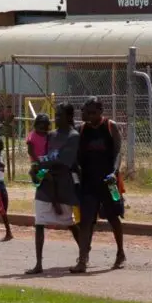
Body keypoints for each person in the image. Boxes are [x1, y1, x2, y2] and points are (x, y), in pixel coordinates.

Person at [26, 103, 81, 275]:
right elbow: (42, 155)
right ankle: (38, 264)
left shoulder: (73, 137)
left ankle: (84, 252)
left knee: (69, 222)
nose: (56, 119)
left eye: (59, 116)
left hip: (63, 184)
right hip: (46, 185)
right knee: (39, 222)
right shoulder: (51, 135)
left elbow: (64, 162)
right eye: (55, 115)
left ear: (69, 117)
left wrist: (41, 165)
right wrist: (38, 168)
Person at [74, 97, 126, 273]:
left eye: (92, 112)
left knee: (114, 217)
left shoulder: (110, 127)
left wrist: (114, 172)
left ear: (100, 112)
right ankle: (82, 259)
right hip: (88, 183)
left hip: (110, 183)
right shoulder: (81, 130)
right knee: (86, 221)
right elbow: (77, 156)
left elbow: (118, 153)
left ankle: (120, 253)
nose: (88, 115)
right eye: (86, 112)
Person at [26, 113, 50, 183]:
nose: (42, 130)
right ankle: (34, 174)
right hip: (35, 159)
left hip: (45, 158)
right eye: (40, 127)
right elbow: (30, 151)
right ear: (36, 125)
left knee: (41, 179)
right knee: (42, 175)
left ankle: (36, 178)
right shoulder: (32, 136)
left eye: (44, 128)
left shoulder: (47, 135)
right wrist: (38, 161)